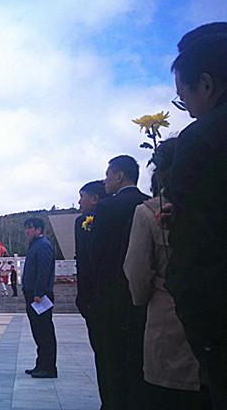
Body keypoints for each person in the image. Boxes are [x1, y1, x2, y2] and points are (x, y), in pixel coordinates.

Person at [164, 22, 227, 408]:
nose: (186, 110)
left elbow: (194, 258)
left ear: (205, 84)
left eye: (182, 98)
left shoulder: (204, 138)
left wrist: (205, 341)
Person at [123, 138, 205, 408]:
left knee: (170, 393)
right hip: (211, 321)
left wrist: (143, 300)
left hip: (168, 315)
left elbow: (136, 270)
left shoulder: (148, 212)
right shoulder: (212, 204)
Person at [90, 155, 150, 408]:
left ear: (119, 175)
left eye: (107, 175)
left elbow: (97, 254)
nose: (105, 181)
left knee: (111, 360)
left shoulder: (107, 208)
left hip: (111, 296)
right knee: (139, 359)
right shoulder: (149, 203)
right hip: (146, 298)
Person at [21, 217, 57, 379]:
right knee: (38, 332)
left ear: (38, 230)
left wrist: (38, 293)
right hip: (33, 295)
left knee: (44, 332)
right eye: (26, 228)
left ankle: (49, 367)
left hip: (39, 297)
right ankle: (41, 364)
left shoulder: (43, 246)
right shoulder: (35, 245)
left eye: (30, 228)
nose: (27, 231)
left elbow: (44, 271)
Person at [74, 180, 107, 321]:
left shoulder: (84, 222)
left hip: (95, 291)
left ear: (94, 199)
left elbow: (84, 260)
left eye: (82, 197)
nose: (79, 202)